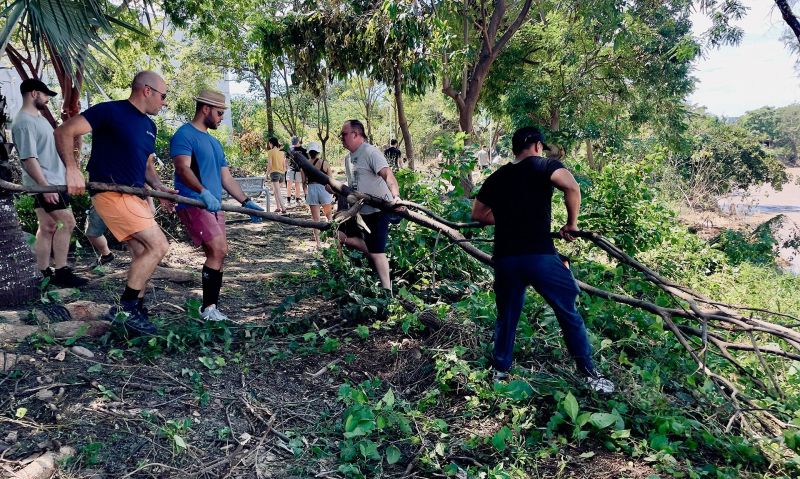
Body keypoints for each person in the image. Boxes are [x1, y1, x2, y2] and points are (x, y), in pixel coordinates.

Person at [471, 126, 615, 394]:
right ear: (537, 145)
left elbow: (478, 214)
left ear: (514, 149)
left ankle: (500, 370)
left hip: (506, 259)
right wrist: (571, 224)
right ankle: (589, 373)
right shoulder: (545, 165)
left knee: (507, 315)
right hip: (540, 256)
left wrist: (507, 219)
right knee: (567, 310)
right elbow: (571, 186)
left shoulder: (497, 176)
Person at [55, 70, 176, 336]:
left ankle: (136, 312)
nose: (164, 102)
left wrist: (159, 188)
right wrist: (72, 169)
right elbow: (65, 130)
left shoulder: (150, 126)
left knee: (142, 251)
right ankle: (127, 308)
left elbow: (146, 165)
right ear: (147, 90)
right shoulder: (110, 112)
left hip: (135, 196)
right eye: (163, 96)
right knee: (158, 245)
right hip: (110, 192)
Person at [171, 89, 265, 322]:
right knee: (219, 250)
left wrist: (246, 202)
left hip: (215, 206)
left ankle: (211, 308)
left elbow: (226, 178)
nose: (222, 118)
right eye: (219, 113)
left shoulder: (214, 143)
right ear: (206, 109)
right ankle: (208, 309)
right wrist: (202, 192)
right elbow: (182, 168)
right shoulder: (184, 134)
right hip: (193, 202)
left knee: (218, 254)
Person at [12, 79, 88, 288]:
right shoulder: (24, 122)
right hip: (46, 183)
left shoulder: (39, 119)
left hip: (53, 181)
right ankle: (61, 272)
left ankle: (43, 271)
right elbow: (29, 159)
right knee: (68, 223)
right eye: (46, 95)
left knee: (48, 226)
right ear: (34, 93)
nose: (47, 99)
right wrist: (45, 187)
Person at [338, 119, 401, 290]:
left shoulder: (370, 152)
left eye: (344, 134)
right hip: (359, 211)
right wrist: (334, 189)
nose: (341, 138)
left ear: (356, 134)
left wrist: (396, 197)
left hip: (378, 210)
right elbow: (353, 186)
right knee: (338, 234)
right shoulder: (348, 158)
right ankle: (368, 253)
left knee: (378, 252)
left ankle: (388, 292)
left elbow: (388, 175)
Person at [304, 141, 333, 248]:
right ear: (318, 152)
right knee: (329, 216)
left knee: (315, 219)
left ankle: (318, 243)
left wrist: (306, 193)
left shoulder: (305, 164)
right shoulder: (325, 163)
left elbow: (304, 182)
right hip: (324, 189)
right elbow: (330, 179)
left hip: (311, 189)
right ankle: (331, 241)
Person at [266, 137, 287, 214]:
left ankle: (283, 208)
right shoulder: (282, 152)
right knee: (275, 191)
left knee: (277, 192)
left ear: (271, 143)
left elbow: (270, 165)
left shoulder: (270, 152)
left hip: (274, 173)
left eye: (269, 144)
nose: (269, 145)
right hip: (282, 174)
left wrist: (266, 175)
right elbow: (284, 165)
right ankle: (278, 207)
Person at [286, 136, 307, 207]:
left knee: (297, 185)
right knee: (289, 184)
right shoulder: (290, 149)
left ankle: (297, 200)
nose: (294, 143)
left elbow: (306, 160)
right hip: (291, 169)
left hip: (299, 170)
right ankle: (288, 200)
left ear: (298, 141)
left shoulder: (303, 150)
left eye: (296, 141)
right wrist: (286, 167)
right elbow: (286, 158)